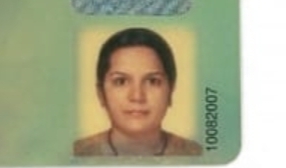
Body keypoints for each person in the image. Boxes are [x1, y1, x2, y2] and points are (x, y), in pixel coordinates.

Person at [73, 28, 202, 157]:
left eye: (152, 81)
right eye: (121, 81)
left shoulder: (195, 154)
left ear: (170, 91)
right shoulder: (77, 153)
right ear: (101, 94)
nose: (137, 96)